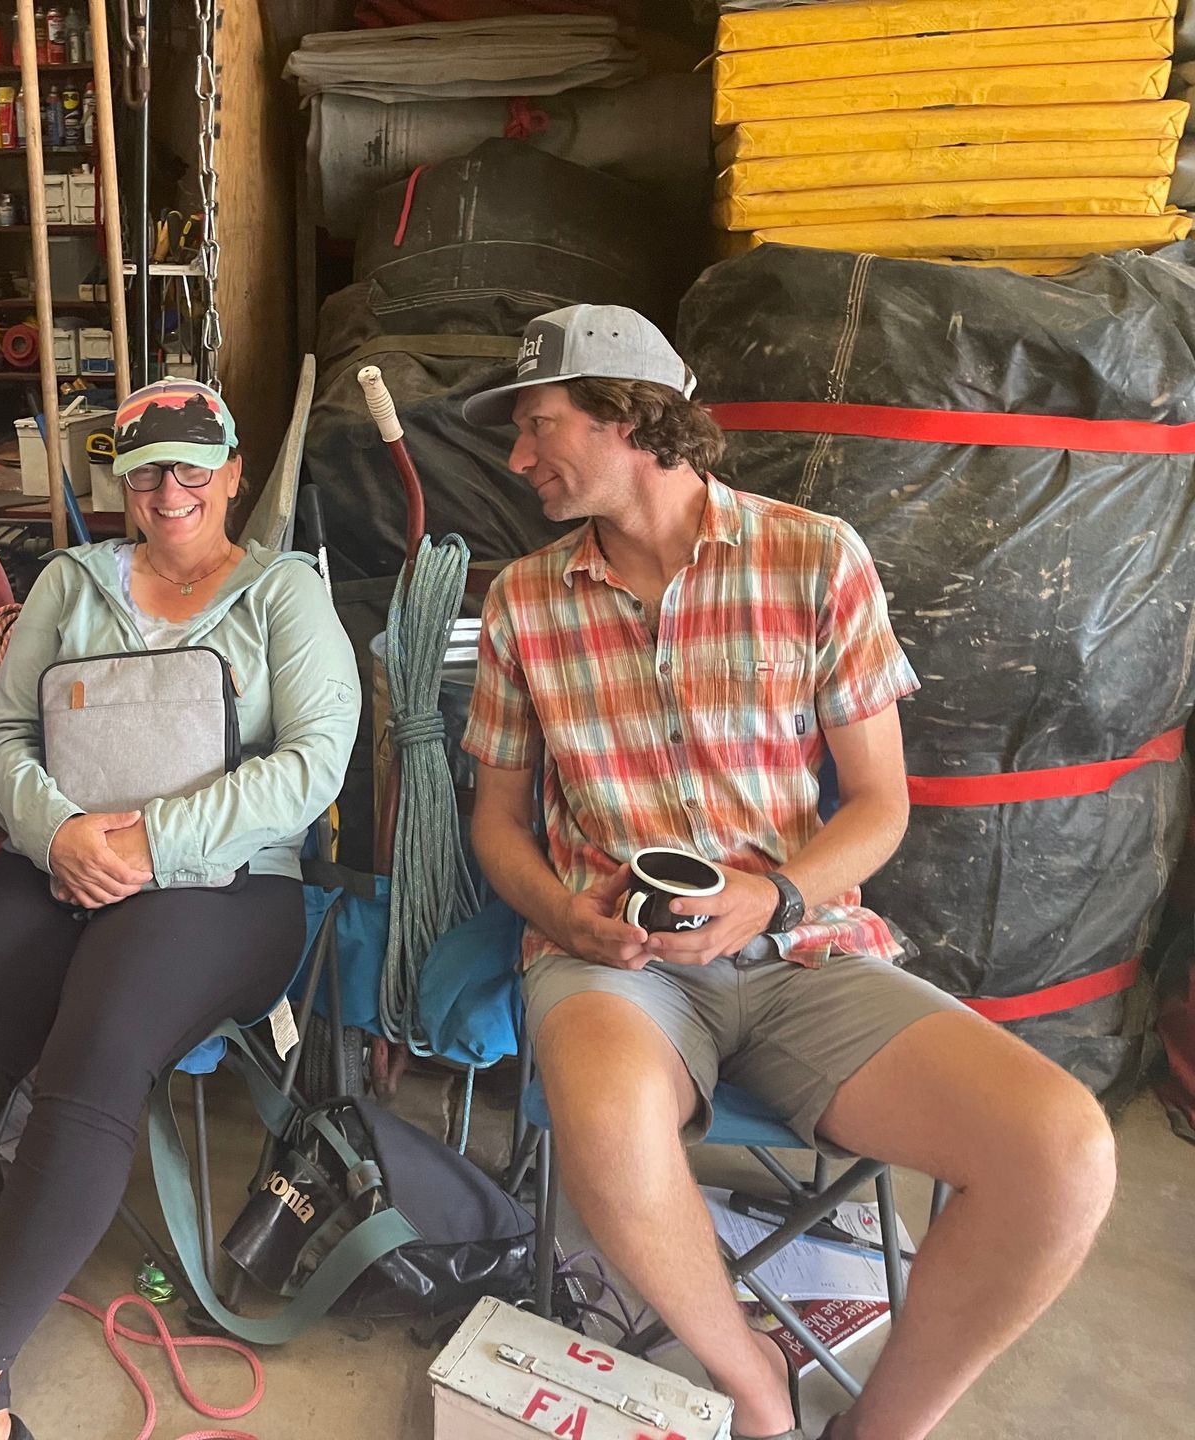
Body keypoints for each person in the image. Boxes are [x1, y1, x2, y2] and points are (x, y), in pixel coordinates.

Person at [461, 306, 1117, 1440]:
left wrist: (773, 896)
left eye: (541, 426)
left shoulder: (814, 557)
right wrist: (565, 913)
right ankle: (757, 1393)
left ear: (631, 417)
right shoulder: (526, 599)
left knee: (1062, 1154)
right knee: (608, 1131)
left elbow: (880, 805)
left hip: (798, 948)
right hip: (618, 964)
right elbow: (498, 826)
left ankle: (882, 1429)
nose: (520, 458)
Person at [0, 379, 360, 1440]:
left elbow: (314, 766)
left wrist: (153, 840)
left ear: (236, 474)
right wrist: (58, 833)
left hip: (226, 882)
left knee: (92, 1054)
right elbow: (2, 738)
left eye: (195, 467)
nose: (171, 490)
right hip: (65, 856)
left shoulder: (285, 594)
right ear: (123, 485)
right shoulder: (71, 581)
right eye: (147, 472)